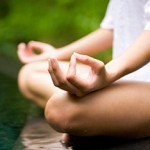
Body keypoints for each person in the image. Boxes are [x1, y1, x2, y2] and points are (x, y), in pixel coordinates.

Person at [18, 0, 150, 147]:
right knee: (29, 72)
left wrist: (110, 73)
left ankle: (89, 115)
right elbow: (113, 28)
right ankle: (95, 115)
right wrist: (57, 54)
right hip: (126, 78)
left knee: (60, 111)